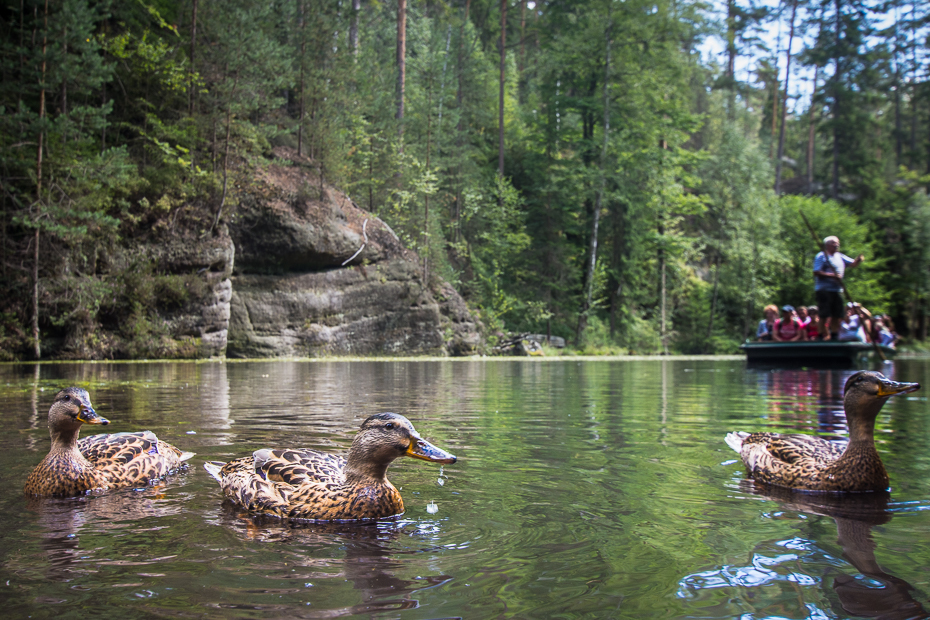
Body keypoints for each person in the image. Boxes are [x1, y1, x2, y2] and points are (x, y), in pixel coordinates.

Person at [813, 236, 864, 340]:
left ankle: (834, 334)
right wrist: (832, 276)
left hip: (837, 290)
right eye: (833, 243)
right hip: (824, 290)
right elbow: (816, 272)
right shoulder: (822, 256)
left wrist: (858, 260)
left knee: (837, 313)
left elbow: (853, 264)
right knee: (824, 314)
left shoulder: (840, 256)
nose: (836, 245)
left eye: (837, 243)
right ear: (827, 245)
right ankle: (820, 335)